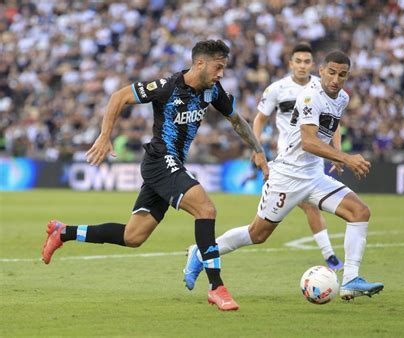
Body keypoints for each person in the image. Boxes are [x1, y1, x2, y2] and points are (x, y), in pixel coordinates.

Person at [41, 40, 269, 312]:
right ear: (200, 63)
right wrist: (104, 136)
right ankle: (216, 287)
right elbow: (119, 97)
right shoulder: (167, 87)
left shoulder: (213, 92)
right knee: (205, 209)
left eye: (223, 68)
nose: (221, 74)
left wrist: (257, 149)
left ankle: (63, 232)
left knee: (133, 236)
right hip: (160, 160)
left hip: (170, 165)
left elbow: (236, 120)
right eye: (218, 67)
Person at [184, 50, 384, 302]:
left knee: (359, 212)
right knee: (257, 234)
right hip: (287, 176)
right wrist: (344, 158)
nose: (336, 79)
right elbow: (309, 142)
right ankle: (200, 253)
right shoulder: (311, 97)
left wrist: (337, 153)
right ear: (320, 71)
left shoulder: (342, 97)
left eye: (342, 75)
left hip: (314, 176)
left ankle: (351, 279)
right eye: (331, 72)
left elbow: (331, 126)